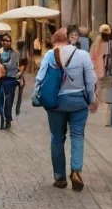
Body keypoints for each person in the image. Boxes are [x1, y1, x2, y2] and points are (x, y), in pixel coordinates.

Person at [33, 27, 98, 191]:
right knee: (77, 136)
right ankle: (76, 171)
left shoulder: (50, 55)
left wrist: (36, 94)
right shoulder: (83, 55)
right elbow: (90, 81)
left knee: (57, 138)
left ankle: (60, 177)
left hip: (56, 103)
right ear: (69, 39)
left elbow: (40, 78)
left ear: (56, 40)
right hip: (78, 102)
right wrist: (92, 99)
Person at [0, 33, 20, 131]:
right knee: (0, 101)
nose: (5, 42)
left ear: (10, 42)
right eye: (4, 40)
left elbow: (12, 65)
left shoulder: (14, 53)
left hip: (10, 79)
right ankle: (2, 120)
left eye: (7, 40)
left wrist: (2, 65)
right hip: (1, 78)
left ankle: (8, 120)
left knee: (8, 102)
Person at [14, 39, 29, 116]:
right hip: (20, 77)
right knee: (19, 95)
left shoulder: (16, 54)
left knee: (13, 94)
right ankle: (17, 110)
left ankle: (16, 109)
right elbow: (23, 67)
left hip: (15, 76)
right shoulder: (24, 55)